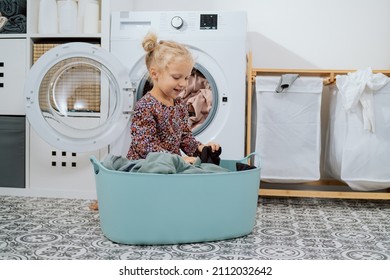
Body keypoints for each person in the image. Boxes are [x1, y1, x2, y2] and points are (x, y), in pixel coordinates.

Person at [126, 32, 220, 164]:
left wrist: (201, 148)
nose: (183, 84)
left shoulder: (179, 104)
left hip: (169, 167)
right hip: (145, 169)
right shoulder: (146, 106)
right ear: (155, 74)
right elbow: (145, 147)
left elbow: (185, 138)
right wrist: (178, 160)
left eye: (186, 78)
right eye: (176, 77)